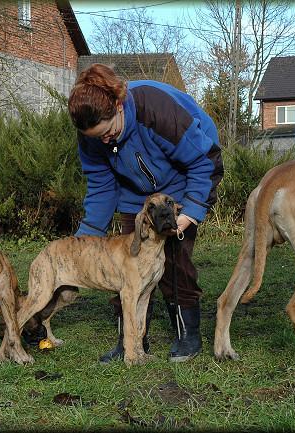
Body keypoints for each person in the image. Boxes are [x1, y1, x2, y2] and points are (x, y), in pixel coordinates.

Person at [67, 63, 223, 363]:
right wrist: (82, 242)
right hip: (134, 191)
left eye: (109, 132)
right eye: (96, 137)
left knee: (176, 262)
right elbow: (101, 188)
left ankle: (187, 334)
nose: (105, 141)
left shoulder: (155, 108)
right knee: (125, 262)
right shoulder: (93, 137)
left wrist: (189, 212)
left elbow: (202, 162)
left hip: (182, 178)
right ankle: (132, 342)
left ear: (118, 105)